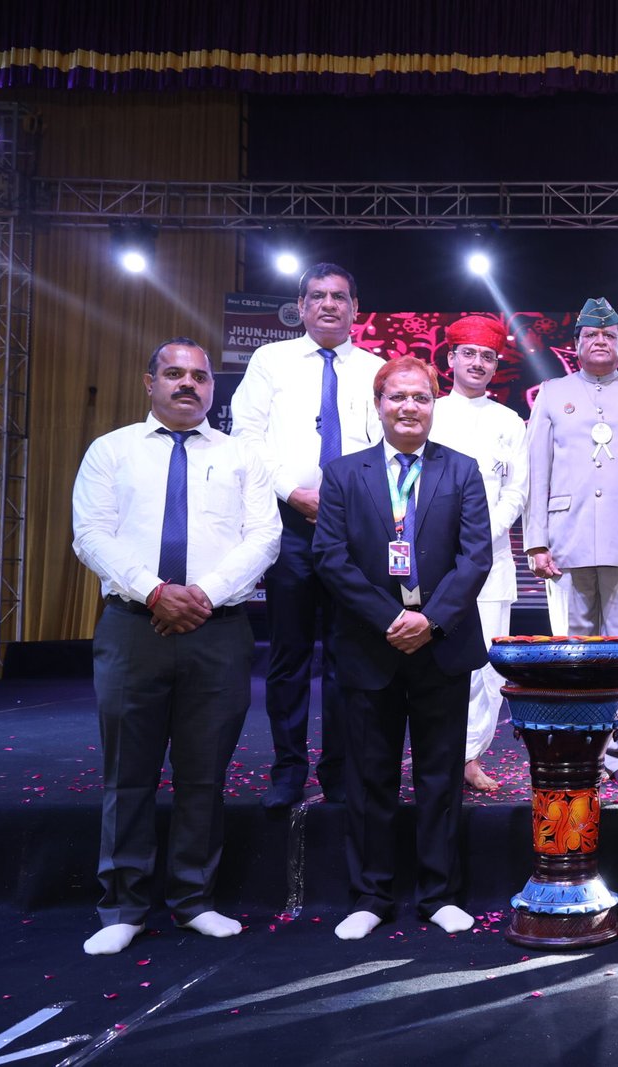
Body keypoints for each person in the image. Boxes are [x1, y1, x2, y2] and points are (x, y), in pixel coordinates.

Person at [71, 338, 280, 955]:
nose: (187, 383)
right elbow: (91, 534)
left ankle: (194, 900)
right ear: (150, 382)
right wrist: (156, 591)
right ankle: (123, 907)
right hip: (133, 626)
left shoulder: (243, 456)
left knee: (203, 774)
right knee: (127, 773)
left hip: (218, 629)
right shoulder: (111, 451)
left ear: (213, 387)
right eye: (173, 373)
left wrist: (201, 596)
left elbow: (264, 537)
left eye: (199, 376)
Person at [312, 356, 491, 941]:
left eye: (421, 397)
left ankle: (439, 894)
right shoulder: (344, 474)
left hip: (442, 646)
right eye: (398, 397)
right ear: (378, 404)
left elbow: (475, 558)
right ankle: (371, 895)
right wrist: (391, 618)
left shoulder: (461, 470)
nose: (409, 407)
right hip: (371, 644)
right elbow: (330, 557)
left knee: (440, 776)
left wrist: (429, 620)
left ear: (434, 405)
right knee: (370, 776)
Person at [231, 263, 384, 810]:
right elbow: (246, 436)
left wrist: (348, 503)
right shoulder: (270, 361)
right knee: (289, 655)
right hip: (289, 524)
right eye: (317, 296)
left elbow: (386, 447)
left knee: (349, 656)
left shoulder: (376, 369)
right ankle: (289, 769)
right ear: (300, 307)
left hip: (356, 530)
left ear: (355, 308)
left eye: (339, 296)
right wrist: (291, 492)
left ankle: (339, 771)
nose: (328, 305)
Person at [523, 298, 618, 787]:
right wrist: (536, 542)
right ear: (577, 344)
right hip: (565, 540)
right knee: (575, 651)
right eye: (591, 334)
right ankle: (580, 743)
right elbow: (536, 470)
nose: (600, 341)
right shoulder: (553, 393)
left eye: (609, 335)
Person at [428, 314, 528, 793]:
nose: (477, 363)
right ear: (450, 359)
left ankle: (468, 757)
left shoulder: (508, 421)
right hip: (432, 559)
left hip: (489, 559)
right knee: (432, 662)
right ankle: (435, 753)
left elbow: (517, 492)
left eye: (487, 356)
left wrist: (477, 537)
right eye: (468, 353)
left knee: (486, 668)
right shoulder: (429, 412)